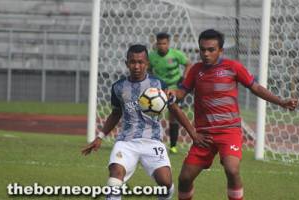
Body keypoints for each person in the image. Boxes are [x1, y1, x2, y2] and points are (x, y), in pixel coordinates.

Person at [169, 29, 299, 200]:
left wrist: (281, 102)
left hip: (229, 132)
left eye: (211, 49)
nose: (206, 54)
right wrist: (171, 93)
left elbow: (256, 88)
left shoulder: (233, 67)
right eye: (202, 49)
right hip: (204, 134)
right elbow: (181, 93)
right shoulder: (196, 70)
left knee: (232, 169)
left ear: (221, 50)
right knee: (184, 178)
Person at [82, 44, 207, 200]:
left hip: (152, 140)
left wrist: (193, 134)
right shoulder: (118, 87)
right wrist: (100, 136)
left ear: (147, 63)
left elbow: (175, 110)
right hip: (126, 142)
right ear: (126, 63)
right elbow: (115, 113)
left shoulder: (159, 85)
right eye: (133, 62)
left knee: (166, 183)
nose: (137, 66)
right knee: (115, 175)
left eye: (141, 62)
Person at [149, 32, 192, 154]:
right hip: (159, 90)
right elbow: (148, 69)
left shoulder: (176, 54)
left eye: (164, 43)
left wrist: (183, 80)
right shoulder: (151, 56)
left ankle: (173, 146)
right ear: (156, 44)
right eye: (159, 43)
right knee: (153, 115)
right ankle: (154, 143)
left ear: (168, 43)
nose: (161, 46)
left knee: (173, 116)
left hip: (174, 88)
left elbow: (188, 64)